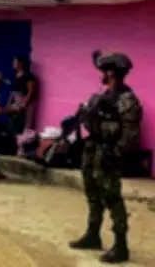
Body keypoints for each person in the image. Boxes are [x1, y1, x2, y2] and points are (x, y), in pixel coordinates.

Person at [68, 51, 140, 264]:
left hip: (109, 152)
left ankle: (121, 245)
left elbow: (130, 135)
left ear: (111, 72)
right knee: (92, 193)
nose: (100, 74)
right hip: (93, 149)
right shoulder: (104, 96)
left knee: (112, 198)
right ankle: (93, 234)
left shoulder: (127, 100)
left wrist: (116, 153)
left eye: (103, 71)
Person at [8, 55, 38, 147]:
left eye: (15, 62)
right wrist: (9, 102)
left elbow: (30, 91)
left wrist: (24, 104)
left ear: (21, 64)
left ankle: (21, 146)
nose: (14, 64)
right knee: (14, 121)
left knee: (25, 124)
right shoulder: (15, 75)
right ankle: (12, 144)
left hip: (25, 102)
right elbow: (12, 91)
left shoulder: (29, 77)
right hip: (15, 101)